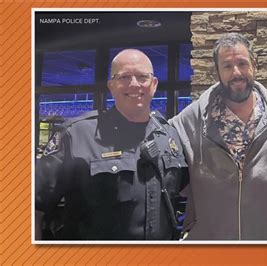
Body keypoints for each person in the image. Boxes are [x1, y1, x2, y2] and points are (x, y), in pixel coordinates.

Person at [35, 49, 188, 240]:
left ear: (154, 84)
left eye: (142, 77)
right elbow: (32, 207)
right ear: (111, 85)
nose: (134, 84)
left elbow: (185, 189)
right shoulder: (77, 135)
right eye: (124, 77)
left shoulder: (168, 135)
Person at [170, 33, 267, 240]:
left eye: (242, 63)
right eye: (227, 66)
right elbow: (163, 145)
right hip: (211, 242)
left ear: (254, 65)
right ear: (217, 72)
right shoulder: (192, 117)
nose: (236, 72)